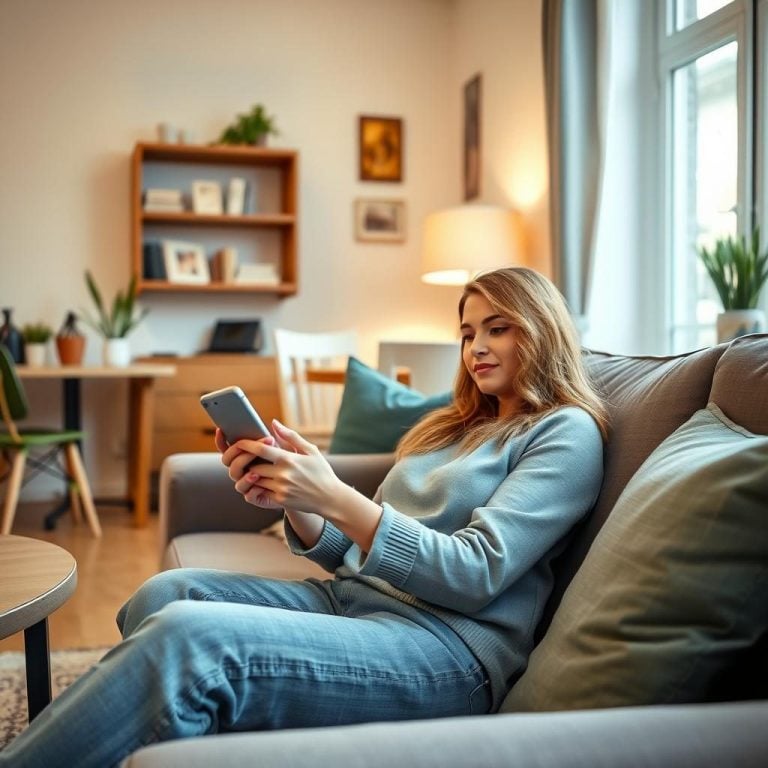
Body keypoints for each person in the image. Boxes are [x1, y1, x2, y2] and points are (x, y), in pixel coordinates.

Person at [1, 267, 608, 768]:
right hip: (355, 600)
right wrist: (300, 501)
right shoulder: (459, 426)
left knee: (193, 639)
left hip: (445, 650)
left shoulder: (566, 433)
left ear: (542, 330)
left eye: (497, 329)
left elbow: (477, 572)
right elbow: (352, 551)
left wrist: (337, 495)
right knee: (167, 593)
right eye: (468, 331)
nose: (475, 347)